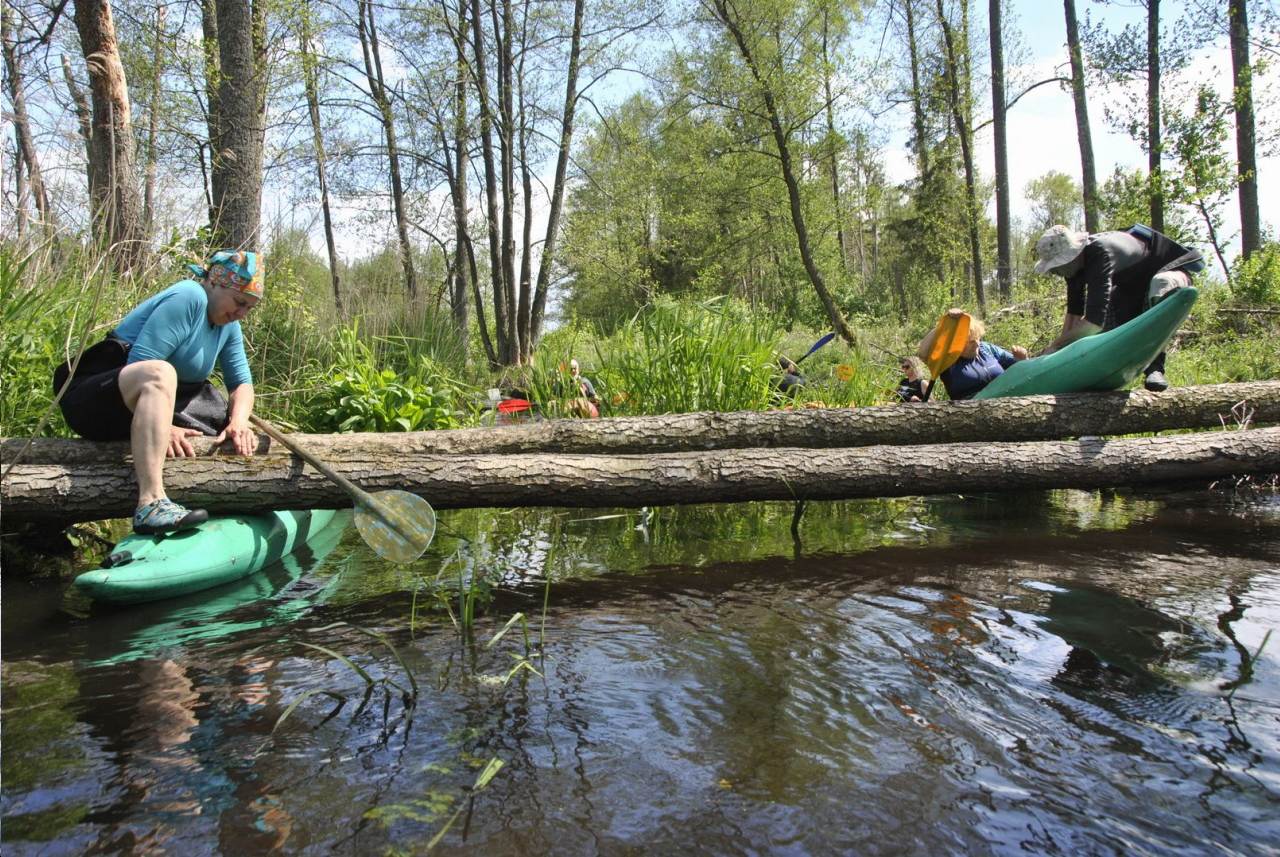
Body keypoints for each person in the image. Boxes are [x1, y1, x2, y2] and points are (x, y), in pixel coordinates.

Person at [54, 250, 263, 534]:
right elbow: (143, 366)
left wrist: (239, 422)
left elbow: (241, 384)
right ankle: (150, 503)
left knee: (229, 417)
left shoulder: (229, 326)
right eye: (239, 302)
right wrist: (165, 427)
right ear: (214, 283)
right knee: (161, 372)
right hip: (93, 400)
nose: (241, 313)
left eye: (249, 308)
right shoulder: (190, 297)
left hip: (147, 407)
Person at [1033, 224, 1203, 392]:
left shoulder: (1099, 252)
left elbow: (1093, 323)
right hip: (1131, 288)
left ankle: (1155, 368)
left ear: (1070, 257)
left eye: (1055, 267)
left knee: (1160, 284)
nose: (1055, 272)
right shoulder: (1072, 271)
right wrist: (1054, 355)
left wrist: (1055, 345)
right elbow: (1073, 316)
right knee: (1109, 321)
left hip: (1170, 273)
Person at [916, 310, 1028, 401]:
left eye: (977, 338)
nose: (976, 344)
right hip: (969, 414)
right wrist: (946, 324)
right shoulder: (948, 359)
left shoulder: (987, 348)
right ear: (957, 343)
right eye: (969, 341)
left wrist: (1023, 359)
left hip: (1006, 404)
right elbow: (923, 353)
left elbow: (1021, 369)